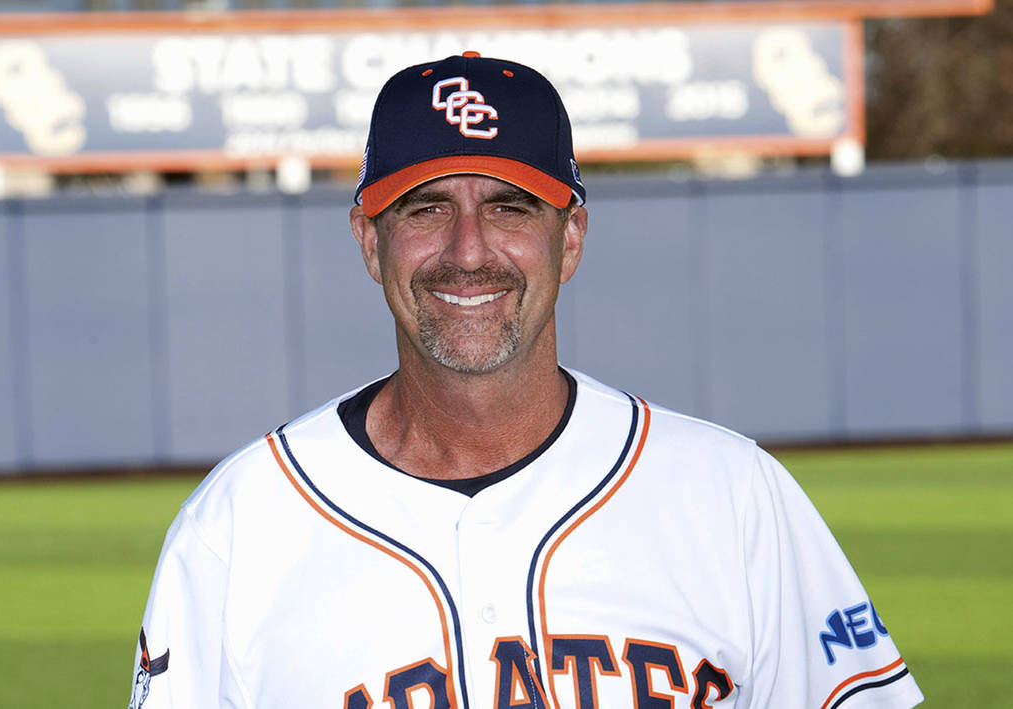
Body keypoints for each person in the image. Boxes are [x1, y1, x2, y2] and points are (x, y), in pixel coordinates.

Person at [129, 52, 923, 709]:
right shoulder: (239, 528)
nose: (468, 250)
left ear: (570, 237)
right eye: (424, 209)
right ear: (369, 243)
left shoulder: (731, 495)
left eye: (510, 208)